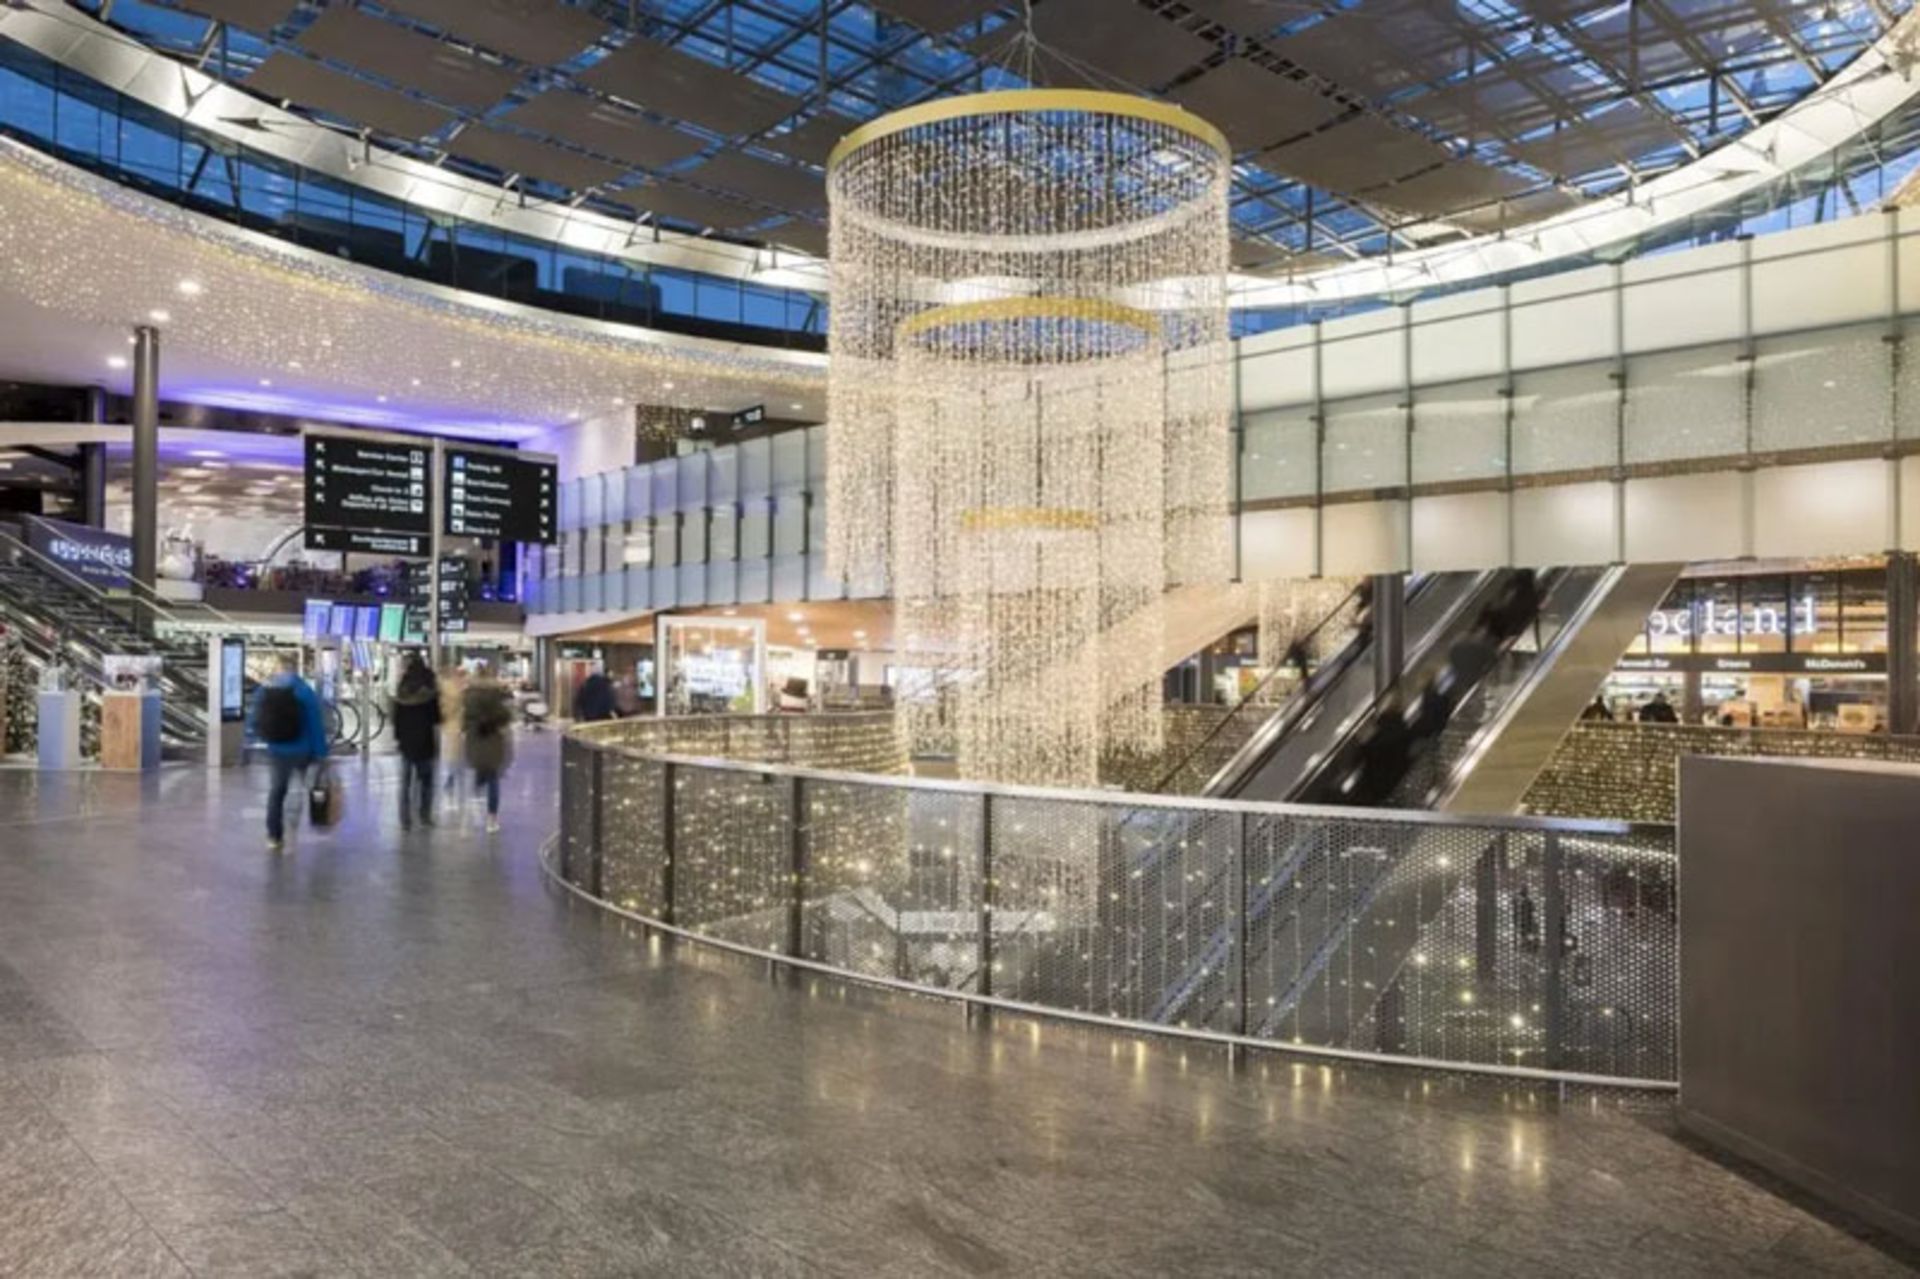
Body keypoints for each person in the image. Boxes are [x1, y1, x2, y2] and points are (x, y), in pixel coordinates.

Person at [249, 654, 328, 852]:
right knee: (298, 789)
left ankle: (274, 836)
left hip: (277, 750)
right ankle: (293, 826)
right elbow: (315, 724)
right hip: (303, 750)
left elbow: (254, 719)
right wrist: (321, 752)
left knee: (276, 792)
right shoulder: (304, 691)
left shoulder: (264, 690)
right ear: (295, 668)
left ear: (279, 669)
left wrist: (254, 741)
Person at [389, 655, 441, 830]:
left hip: (406, 743)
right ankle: (424, 816)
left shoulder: (402, 689)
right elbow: (437, 718)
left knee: (405, 783)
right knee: (426, 782)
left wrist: (398, 738)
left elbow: (396, 719)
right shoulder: (430, 692)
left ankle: (405, 819)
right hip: (425, 742)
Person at [463, 663, 515, 834]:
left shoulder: (469, 694)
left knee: (480, 769)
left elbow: (464, 719)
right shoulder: (496, 694)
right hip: (493, 740)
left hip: (476, 739)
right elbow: (506, 716)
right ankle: (492, 819)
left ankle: (475, 793)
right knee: (493, 779)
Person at [439, 664, 468, 797]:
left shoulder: (448, 688)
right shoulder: (456, 689)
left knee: (455, 755)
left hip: (455, 726)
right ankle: (453, 777)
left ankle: (453, 777)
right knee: (455, 755)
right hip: (456, 726)